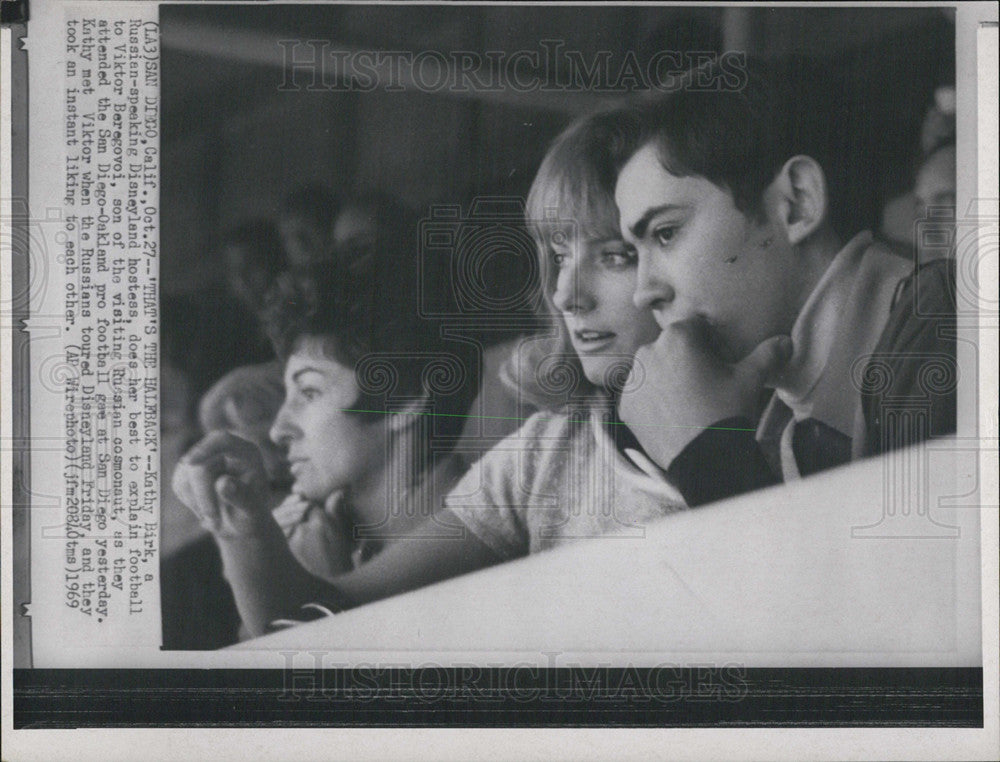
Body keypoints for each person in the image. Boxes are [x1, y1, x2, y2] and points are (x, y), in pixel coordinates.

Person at [171, 110, 685, 637]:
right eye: (557, 255)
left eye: (616, 256)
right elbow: (308, 624)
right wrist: (244, 528)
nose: (566, 294)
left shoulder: (763, 419)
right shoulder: (539, 455)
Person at [610, 61, 957, 507]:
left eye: (665, 233)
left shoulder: (950, 327)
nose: (644, 292)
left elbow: (909, 576)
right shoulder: (777, 426)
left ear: (797, 203)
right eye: (634, 253)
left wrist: (705, 453)